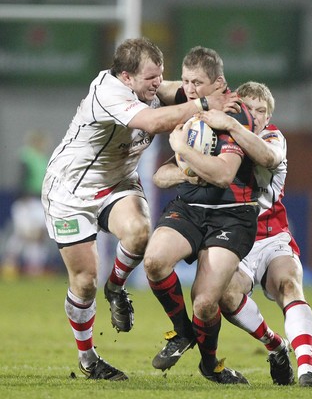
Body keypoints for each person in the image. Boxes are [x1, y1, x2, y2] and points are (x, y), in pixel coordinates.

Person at [40, 37, 239, 381]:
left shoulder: (148, 87)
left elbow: (182, 91)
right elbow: (152, 123)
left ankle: (116, 288)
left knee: (139, 233)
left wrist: (224, 96)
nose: (157, 84)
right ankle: (88, 360)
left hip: (117, 184)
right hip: (70, 191)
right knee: (85, 281)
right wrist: (206, 102)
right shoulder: (108, 92)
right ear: (127, 78)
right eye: (151, 78)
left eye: (160, 75)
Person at [153, 81, 312, 387]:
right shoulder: (213, 139)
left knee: (288, 284)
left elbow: (268, 158)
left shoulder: (271, 137)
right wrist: (187, 165)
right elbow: (162, 174)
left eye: (262, 111)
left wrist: (230, 123)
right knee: (223, 298)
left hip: (271, 235)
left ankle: (308, 370)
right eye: (250, 108)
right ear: (238, 106)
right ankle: (276, 346)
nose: (255, 116)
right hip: (232, 235)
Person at [142, 46, 260, 385]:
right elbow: (161, 177)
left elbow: (223, 175)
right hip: (189, 209)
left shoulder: (234, 114)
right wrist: (186, 173)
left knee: (206, 303)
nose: (190, 90)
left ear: (219, 83)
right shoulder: (194, 99)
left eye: (198, 83)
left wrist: (181, 149)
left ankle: (210, 365)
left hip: (231, 215)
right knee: (154, 261)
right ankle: (182, 334)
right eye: (187, 81)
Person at [2, 130, 52, 277]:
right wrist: (22, 196)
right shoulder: (26, 156)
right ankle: (9, 266)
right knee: (23, 234)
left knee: (38, 236)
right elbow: (21, 176)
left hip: (39, 200)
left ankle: (34, 268)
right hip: (26, 200)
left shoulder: (43, 158)